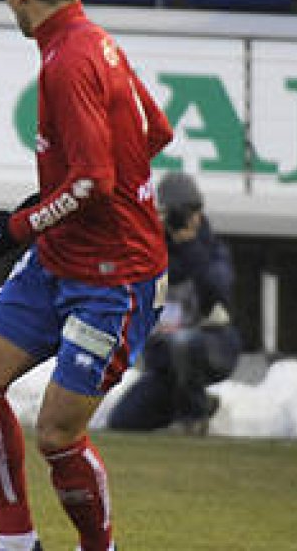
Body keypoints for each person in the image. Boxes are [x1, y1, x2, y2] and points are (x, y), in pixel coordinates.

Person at [0, 0, 172, 551]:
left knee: (57, 435)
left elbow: (96, 184)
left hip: (115, 279)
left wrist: (16, 227)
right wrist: (47, 204)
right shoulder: (94, 42)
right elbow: (154, 133)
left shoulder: (69, 60)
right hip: (60, 261)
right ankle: (16, 543)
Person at [107, 172, 241, 434]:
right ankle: (193, 404)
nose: (189, 219)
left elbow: (219, 292)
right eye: (179, 213)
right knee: (123, 421)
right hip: (166, 362)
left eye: (194, 211)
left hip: (212, 346)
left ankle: (194, 417)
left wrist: (189, 244)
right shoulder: (150, 252)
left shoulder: (212, 250)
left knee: (182, 343)